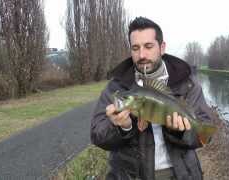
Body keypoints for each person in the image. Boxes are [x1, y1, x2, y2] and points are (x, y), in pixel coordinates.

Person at [91, 17, 213, 180]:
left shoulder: (188, 83)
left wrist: (181, 132)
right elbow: (97, 135)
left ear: (162, 47)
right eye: (135, 48)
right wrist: (123, 128)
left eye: (148, 46)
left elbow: (205, 134)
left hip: (180, 175)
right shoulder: (116, 87)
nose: (142, 55)